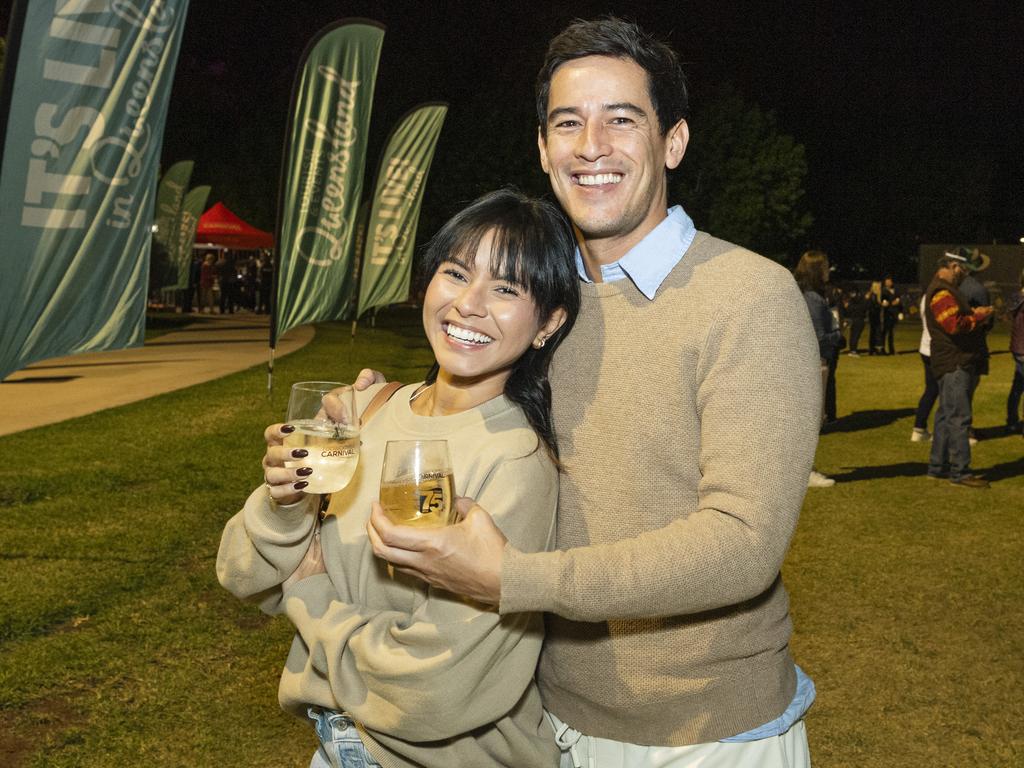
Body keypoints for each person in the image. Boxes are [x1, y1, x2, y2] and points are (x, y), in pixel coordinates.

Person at [363, 18, 820, 768]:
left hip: (701, 735)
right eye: (567, 123)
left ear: (672, 142)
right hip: (545, 722)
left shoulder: (748, 296)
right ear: (543, 149)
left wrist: (514, 579)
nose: (591, 146)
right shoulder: (542, 303)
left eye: (622, 120)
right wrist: (373, 411)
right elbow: (474, 410)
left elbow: (743, 544)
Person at [217, 190, 580, 768]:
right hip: (337, 747)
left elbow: (436, 688)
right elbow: (243, 575)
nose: (469, 304)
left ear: (548, 323)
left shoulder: (511, 460)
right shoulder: (365, 413)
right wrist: (286, 504)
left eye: (506, 289)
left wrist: (312, 598)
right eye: (455, 273)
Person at [924, 248, 993, 488]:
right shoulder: (942, 291)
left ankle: (937, 466)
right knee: (959, 418)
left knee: (946, 415)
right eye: (962, 270)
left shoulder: (941, 289)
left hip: (948, 360)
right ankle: (960, 471)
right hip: (955, 361)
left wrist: (971, 314)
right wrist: (979, 317)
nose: (964, 275)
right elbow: (954, 325)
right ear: (953, 266)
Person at [794, 251, 842, 486]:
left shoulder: (801, 293)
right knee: (812, 420)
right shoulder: (812, 298)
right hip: (814, 362)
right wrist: (837, 335)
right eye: (825, 267)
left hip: (804, 361)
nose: (828, 271)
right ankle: (806, 471)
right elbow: (819, 336)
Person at [958, 249, 993, 445]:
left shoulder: (953, 286)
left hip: (953, 345)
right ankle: (965, 429)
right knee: (968, 389)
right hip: (974, 344)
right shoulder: (979, 290)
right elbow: (987, 322)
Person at [911, 294, 939, 442]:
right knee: (943, 391)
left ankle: (919, 428)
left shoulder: (925, 297)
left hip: (926, 346)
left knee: (931, 390)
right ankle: (941, 430)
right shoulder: (938, 296)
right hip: (936, 349)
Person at [1005, 266, 1024, 434]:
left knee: (1017, 386)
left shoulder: (1016, 296)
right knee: (1018, 386)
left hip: (1018, 347)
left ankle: (1011, 420)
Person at [880, 276, 901, 354]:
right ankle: (882, 349)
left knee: (892, 333)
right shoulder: (883, 291)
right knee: (884, 332)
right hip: (887, 313)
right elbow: (883, 301)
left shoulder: (896, 290)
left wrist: (898, 304)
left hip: (894, 313)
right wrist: (888, 303)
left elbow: (899, 300)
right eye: (886, 282)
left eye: (889, 281)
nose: (888, 283)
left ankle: (891, 350)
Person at [845, 287, 868, 355]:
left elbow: (849, 309)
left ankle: (852, 350)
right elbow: (863, 308)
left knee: (854, 335)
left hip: (856, 319)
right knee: (855, 335)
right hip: (857, 319)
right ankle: (853, 350)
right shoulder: (858, 300)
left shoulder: (854, 300)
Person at [867, 280, 884, 354]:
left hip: (877, 316)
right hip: (873, 316)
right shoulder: (873, 295)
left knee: (877, 332)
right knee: (875, 332)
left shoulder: (879, 295)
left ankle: (876, 348)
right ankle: (873, 348)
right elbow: (871, 305)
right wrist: (880, 305)